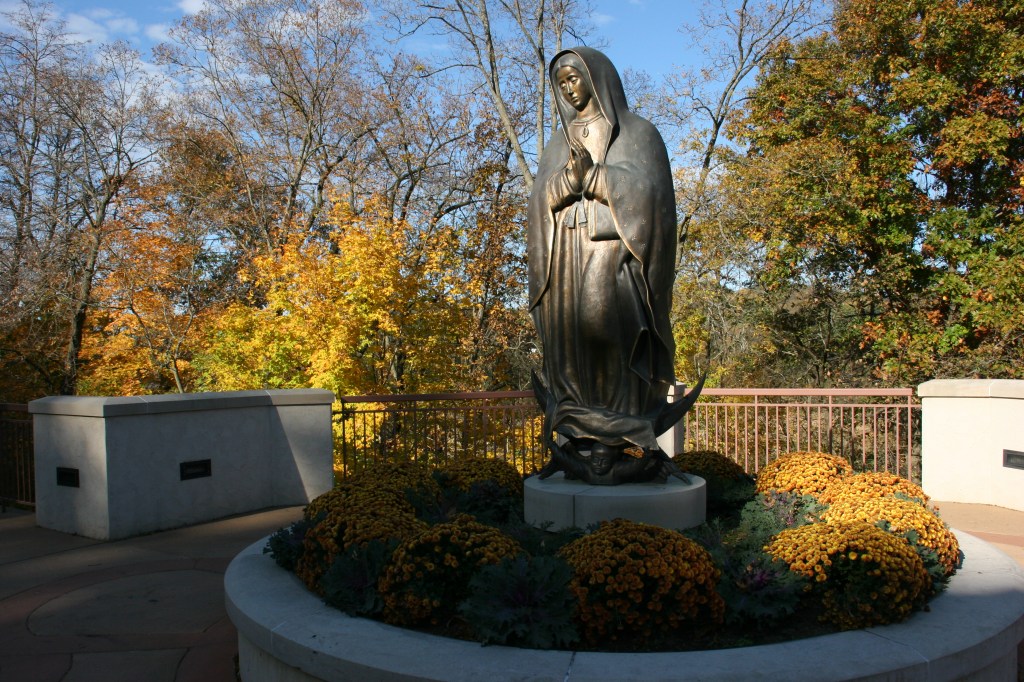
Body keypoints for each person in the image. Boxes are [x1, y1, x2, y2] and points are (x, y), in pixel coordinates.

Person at [528, 47, 698, 484]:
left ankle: (623, 418)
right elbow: (539, 202)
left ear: (597, 78)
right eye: (561, 81)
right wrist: (567, 180)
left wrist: (598, 178)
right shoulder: (556, 142)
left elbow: (654, 199)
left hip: (616, 251)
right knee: (574, 333)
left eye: (574, 78)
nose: (568, 88)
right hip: (567, 252)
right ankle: (582, 425)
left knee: (604, 321)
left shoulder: (638, 133)